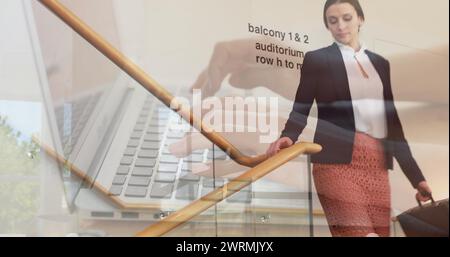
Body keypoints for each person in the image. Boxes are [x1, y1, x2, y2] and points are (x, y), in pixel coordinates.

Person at [266, 0, 433, 237]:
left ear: (360, 19)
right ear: (327, 26)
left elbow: (393, 125)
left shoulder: (380, 64)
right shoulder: (318, 59)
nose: (340, 26)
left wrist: (417, 179)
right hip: (335, 162)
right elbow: (301, 106)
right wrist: (288, 137)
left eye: (347, 18)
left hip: (377, 166)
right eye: (332, 21)